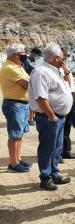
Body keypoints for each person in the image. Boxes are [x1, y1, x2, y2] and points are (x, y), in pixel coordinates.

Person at [28, 43, 73, 191]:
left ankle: (55, 173)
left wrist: (66, 72)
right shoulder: (41, 72)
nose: (64, 59)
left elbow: (65, 89)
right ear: (55, 58)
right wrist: (51, 115)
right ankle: (45, 177)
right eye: (62, 57)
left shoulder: (56, 70)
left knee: (57, 147)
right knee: (47, 148)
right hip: (49, 117)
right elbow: (41, 97)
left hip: (59, 117)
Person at [0, 43, 32, 173]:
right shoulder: (10, 68)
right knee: (14, 135)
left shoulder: (17, 66)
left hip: (21, 104)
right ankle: (13, 164)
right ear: (16, 55)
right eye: (24, 52)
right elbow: (26, 84)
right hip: (14, 104)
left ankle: (17, 159)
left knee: (19, 134)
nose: (26, 54)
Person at [61, 47, 75, 160]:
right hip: (63, 100)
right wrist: (66, 71)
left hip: (71, 98)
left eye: (67, 56)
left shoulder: (65, 66)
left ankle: (66, 151)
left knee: (67, 127)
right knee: (61, 128)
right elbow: (66, 83)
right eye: (64, 56)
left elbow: (71, 86)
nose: (65, 58)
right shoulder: (58, 69)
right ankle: (59, 153)